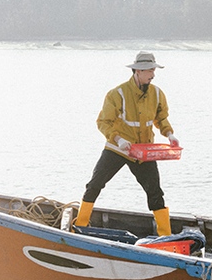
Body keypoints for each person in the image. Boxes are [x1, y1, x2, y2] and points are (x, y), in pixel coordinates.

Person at [74, 51, 179, 236]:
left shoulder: (157, 93)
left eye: (153, 70)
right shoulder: (117, 93)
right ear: (137, 71)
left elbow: (161, 118)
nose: (152, 74)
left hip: (142, 153)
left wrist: (169, 134)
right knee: (95, 184)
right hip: (117, 149)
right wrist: (119, 139)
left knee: (155, 193)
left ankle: (165, 237)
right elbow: (103, 122)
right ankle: (79, 226)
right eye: (149, 70)